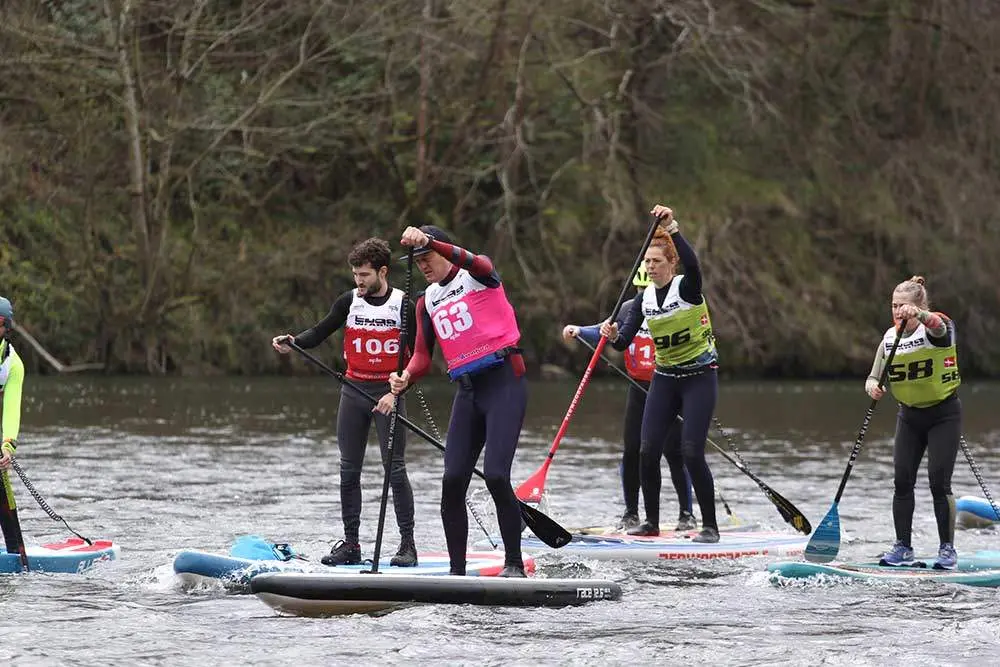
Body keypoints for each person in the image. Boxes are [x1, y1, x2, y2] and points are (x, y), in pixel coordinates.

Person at [383, 225, 528, 578]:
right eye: (417, 262)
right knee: (452, 481)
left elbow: (473, 259)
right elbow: (421, 356)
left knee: (495, 474)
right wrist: (406, 376)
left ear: (443, 252)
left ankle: (514, 564)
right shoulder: (426, 301)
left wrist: (433, 242)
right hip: (468, 391)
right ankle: (457, 573)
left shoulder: (479, 274)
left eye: (427, 257)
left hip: (504, 383)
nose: (423, 266)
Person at [272, 238, 418, 567]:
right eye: (355, 275)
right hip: (353, 390)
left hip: (387, 393)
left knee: (394, 470)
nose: (359, 281)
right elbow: (321, 330)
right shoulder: (349, 301)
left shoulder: (404, 306)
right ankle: (351, 544)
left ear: (382, 271)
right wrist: (294, 342)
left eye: (364, 275)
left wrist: (396, 393)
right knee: (348, 470)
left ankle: (407, 545)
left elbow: (418, 359)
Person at [601, 204, 720, 543]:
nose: (650, 267)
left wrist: (674, 228)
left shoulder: (688, 287)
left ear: (671, 264)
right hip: (665, 379)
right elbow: (623, 342)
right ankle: (651, 522)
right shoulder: (642, 300)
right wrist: (612, 336)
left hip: (699, 377)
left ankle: (709, 526)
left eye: (656, 262)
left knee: (692, 451)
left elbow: (694, 263)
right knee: (646, 449)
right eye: (647, 262)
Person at [562, 267, 696, 532]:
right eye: (638, 290)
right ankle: (631, 514)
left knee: (673, 452)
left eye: (646, 290)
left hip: (668, 386)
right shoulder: (628, 309)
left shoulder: (673, 308)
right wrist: (578, 330)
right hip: (638, 389)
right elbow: (604, 330)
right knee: (632, 451)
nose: (642, 295)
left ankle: (686, 514)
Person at [866, 276, 961, 570]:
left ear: (918, 306)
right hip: (909, 418)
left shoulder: (935, 329)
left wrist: (918, 314)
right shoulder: (889, 339)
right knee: (901, 481)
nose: (897, 311)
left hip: (943, 415)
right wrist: (872, 387)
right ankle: (902, 547)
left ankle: (947, 550)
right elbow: (873, 376)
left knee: (938, 482)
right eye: (894, 305)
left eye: (903, 306)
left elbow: (938, 327)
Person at [0, 296, 27, 558]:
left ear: (6, 328)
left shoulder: (13, 366)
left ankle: (16, 553)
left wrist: (8, 444)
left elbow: (11, 407)